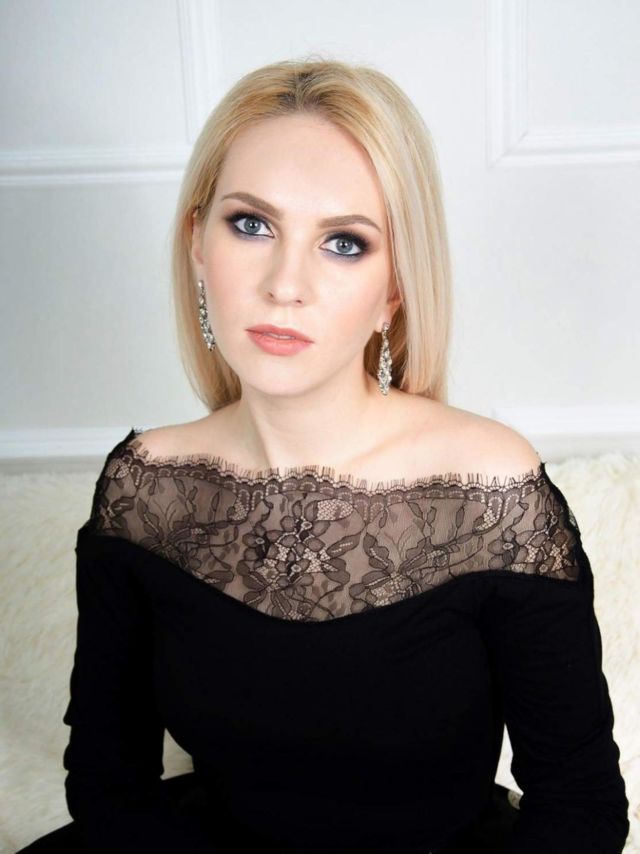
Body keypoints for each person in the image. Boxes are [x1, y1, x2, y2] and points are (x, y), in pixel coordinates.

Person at [18, 57, 629, 853]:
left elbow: (579, 806)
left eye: (344, 242)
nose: (285, 283)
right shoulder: (145, 488)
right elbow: (109, 782)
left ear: (394, 290)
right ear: (197, 243)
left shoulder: (491, 493)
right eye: (251, 225)